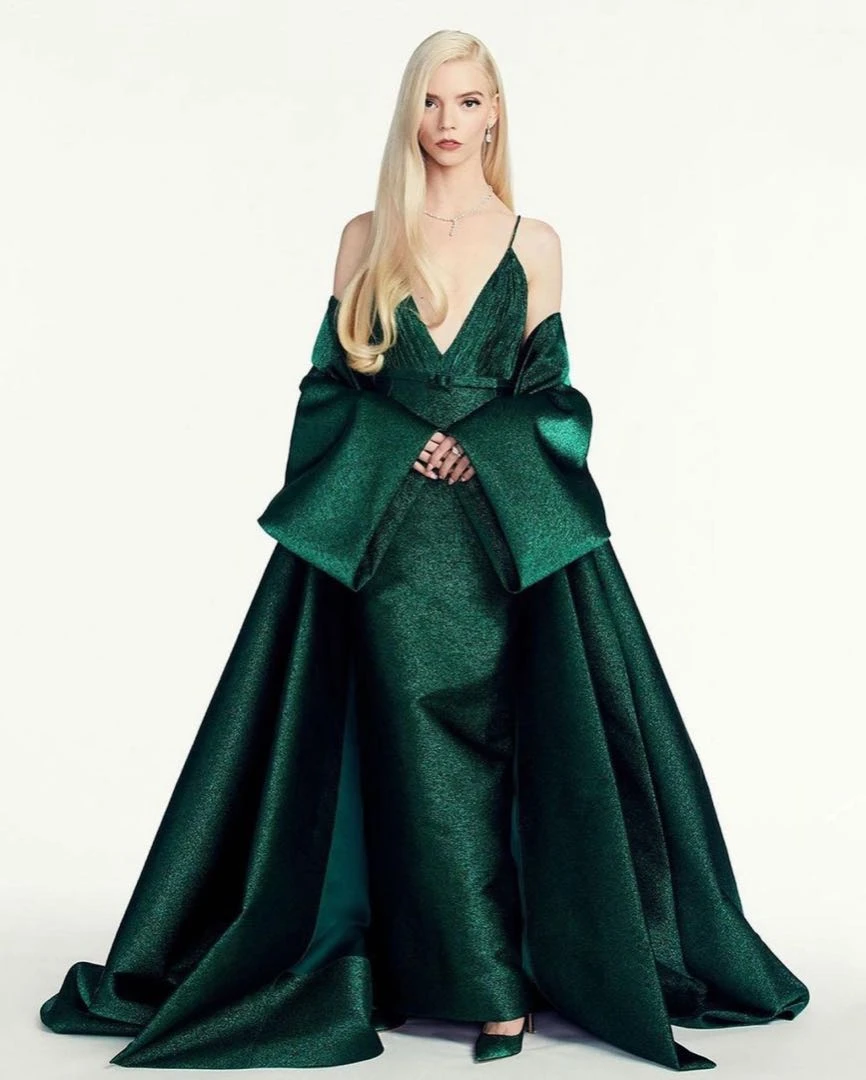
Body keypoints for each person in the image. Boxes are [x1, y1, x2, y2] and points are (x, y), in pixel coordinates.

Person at [38, 29, 809, 1071]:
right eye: (432, 102)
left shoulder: (533, 242)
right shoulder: (367, 236)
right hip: (383, 534)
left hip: (499, 539)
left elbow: (552, 399)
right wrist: (402, 441)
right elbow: (327, 388)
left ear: (495, 115)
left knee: (523, 745)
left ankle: (504, 986)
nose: (448, 122)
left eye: (468, 101)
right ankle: (419, 970)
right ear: (411, 113)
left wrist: (478, 446)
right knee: (382, 748)